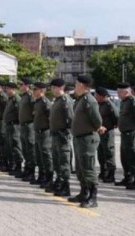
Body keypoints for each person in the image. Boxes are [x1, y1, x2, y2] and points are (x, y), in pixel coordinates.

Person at [69, 75, 102, 208]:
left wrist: (91, 129)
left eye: (76, 84)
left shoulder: (89, 100)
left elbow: (97, 121)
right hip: (79, 138)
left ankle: (93, 197)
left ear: (82, 85)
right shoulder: (81, 99)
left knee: (88, 167)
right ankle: (84, 192)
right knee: (80, 168)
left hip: (87, 138)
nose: (75, 87)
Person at [116, 83, 135, 190]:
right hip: (125, 133)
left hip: (132, 133)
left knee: (134, 157)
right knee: (125, 157)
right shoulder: (124, 102)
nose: (118, 94)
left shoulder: (133, 101)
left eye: (120, 92)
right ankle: (128, 178)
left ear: (127, 92)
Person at [48, 78, 73, 197]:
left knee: (64, 161)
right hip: (55, 135)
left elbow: (71, 118)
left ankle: (65, 185)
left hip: (62, 135)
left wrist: (66, 131)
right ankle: (59, 181)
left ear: (60, 88)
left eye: (53, 87)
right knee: (57, 160)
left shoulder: (65, 100)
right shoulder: (57, 100)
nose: (52, 90)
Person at [94, 86, 118, 185]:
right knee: (101, 153)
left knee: (109, 152)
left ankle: (111, 174)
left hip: (108, 132)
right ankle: (103, 171)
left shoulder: (109, 105)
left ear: (101, 96)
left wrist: (110, 127)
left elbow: (116, 117)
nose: (95, 97)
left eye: (96, 95)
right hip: (100, 132)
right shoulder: (99, 104)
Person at [32, 82, 53, 186]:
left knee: (46, 155)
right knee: (39, 155)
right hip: (38, 131)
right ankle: (41, 175)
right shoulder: (37, 102)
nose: (33, 91)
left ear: (41, 91)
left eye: (35, 89)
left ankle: (48, 178)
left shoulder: (45, 102)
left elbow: (51, 118)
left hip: (45, 132)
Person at [18, 78, 37, 182]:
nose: (19, 87)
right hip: (23, 125)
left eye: (21, 84)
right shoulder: (24, 96)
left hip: (29, 125)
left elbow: (35, 111)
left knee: (30, 148)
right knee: (25, 148)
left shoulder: (31, 96)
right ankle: (27, 169)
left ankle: (31, 171)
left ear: (27, 86)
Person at [3, 81, 23, 175]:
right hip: (9, 125)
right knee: (10, 146)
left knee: (16, 145)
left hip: (15, 126)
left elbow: (19, 113)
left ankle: (18, 166)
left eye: (8, 89)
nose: (6, 90)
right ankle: (12, 164)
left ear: (13, 89)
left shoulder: (17, 99)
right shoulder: (10, 99)